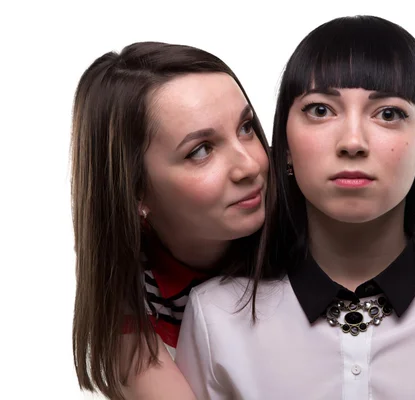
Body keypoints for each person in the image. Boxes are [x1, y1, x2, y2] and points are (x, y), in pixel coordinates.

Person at [176, 15, 415, 399]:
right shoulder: (216, 317)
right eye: (320, 110)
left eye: (388, 113)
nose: (352, 142)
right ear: (283, 145)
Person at [70, 41, 274, 400]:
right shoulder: (128, 279)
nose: (251, 165)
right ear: (136, 194)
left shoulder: (310, 210)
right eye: (201, 150)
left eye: (245, 127)